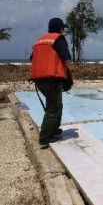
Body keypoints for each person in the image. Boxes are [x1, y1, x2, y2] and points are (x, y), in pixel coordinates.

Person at [30, 18, 72, 149]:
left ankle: (54, 130)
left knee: (55, 105)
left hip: (39, 80)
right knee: (53, 108)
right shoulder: (58, 39)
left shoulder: (39, 40)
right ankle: (45, 137)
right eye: (63, 28)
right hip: (52, 79)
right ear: (60, 28)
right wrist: (69, 74)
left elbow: (32, 58)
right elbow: (66, 57)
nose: (63, 30)